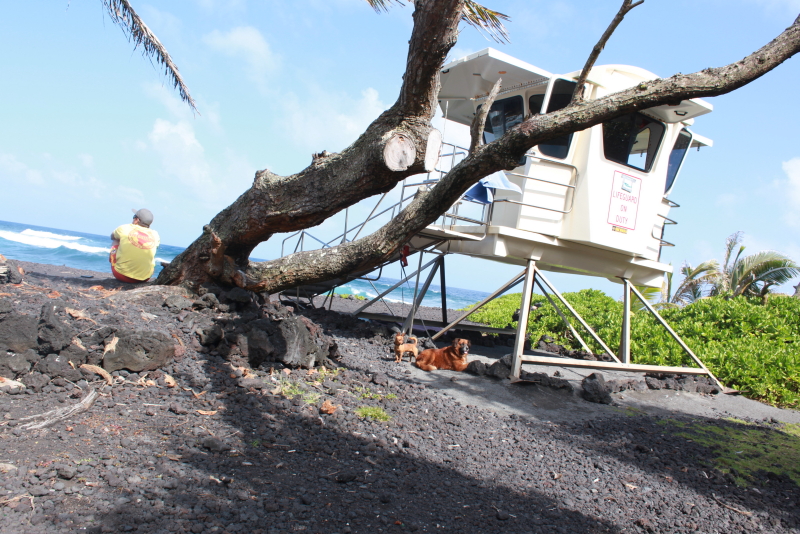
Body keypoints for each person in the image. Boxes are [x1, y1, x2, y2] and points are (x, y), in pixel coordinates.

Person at [109, 208, 160, 283]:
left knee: (116, 240)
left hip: (121, 275)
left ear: (136, 220)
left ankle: (114, 263)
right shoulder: (155, 234)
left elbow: (112, 236)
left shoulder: (125, 228)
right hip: (145, 278)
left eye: (134, 217)